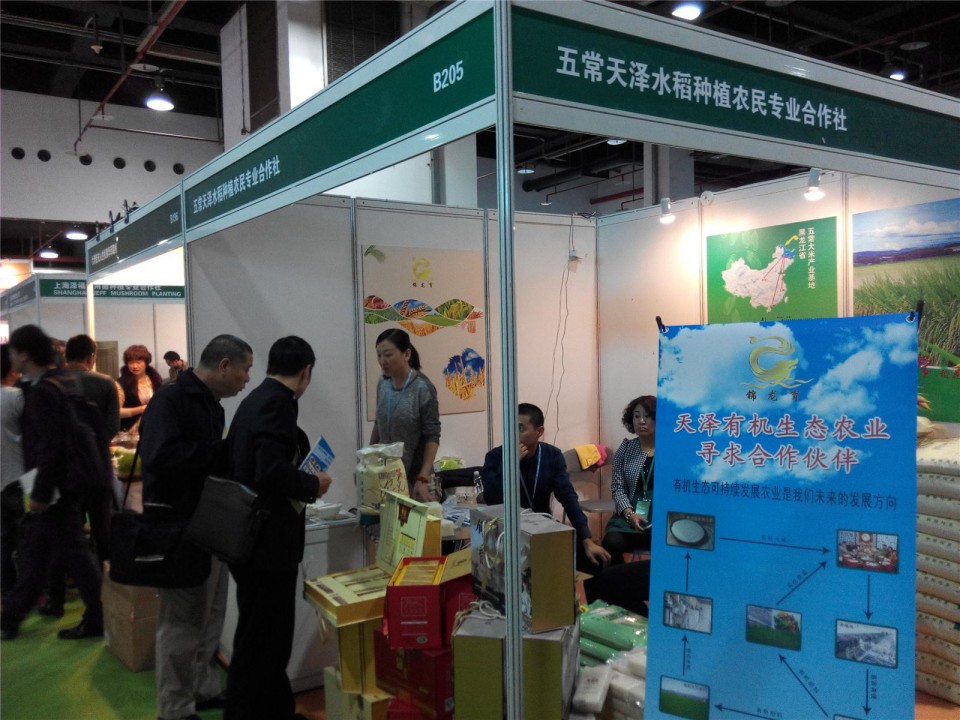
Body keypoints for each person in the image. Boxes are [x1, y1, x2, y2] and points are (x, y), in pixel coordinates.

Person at [139, 334, 253, 720]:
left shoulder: (211, 405)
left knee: (211, 612)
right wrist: (220, 454)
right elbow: (159, 456)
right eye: (245, 369)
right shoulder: (170, 399)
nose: (246, 379)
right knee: (182, 620)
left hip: (209, 523)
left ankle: (203, 688)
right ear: (224, 365)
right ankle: (174, 708)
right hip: (177, 526)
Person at [224, 336, 332, 720]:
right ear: (306, 372)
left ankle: (272, 711)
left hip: (250, 539)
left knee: (259, 638)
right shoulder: (276, 404)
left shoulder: (255, 400)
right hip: (266, 545)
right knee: (266, 640)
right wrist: (312, 484)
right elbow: (269, 470)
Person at [0, 325, 104, 641]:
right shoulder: (61, 381)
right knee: (41, 553)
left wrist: (41, 493)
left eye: (13, 351)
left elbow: (51, 448)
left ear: (24, 354)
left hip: (55, 488)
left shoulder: (45, 391)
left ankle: (97, 617)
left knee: (70, 554)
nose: (10, 357)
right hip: (65, 484)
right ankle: (11, 618)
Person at [37, 334, 121, 618]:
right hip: (97, 470)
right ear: (91, 357)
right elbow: (112, 427)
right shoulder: (105, 383)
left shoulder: (52, 384)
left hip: (65, 475)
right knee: (103, 535)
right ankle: (110, 596)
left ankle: (56, 600)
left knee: (65, 538)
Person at [481, 403, 610, 570]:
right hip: (506, 530)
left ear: (539, 432)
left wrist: (587, 539)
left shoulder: (552, 455)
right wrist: (510, 466)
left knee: (592, 558)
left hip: (541, 526)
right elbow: (491, 498)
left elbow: (568, 496)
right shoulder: (495, 456)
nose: (512, 434)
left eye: (520, 428)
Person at [369, 328, 440, 502]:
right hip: (387, 474)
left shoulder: (422, 388)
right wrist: (368, 461)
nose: (382, 361)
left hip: (416, 477)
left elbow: (432, 436)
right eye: (379, 355)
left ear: (406, 354)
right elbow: (378, 423)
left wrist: (422, 477)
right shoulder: (383, 383)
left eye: (388, 355)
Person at [601, 395, 657, 565]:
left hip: (661, 516)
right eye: (636, 416)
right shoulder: (626, 448)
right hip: (631, 515)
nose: (641, 421)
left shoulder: (671, 449)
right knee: (612, 542)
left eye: (647, 416)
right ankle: (622, 579)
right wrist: (630, 514)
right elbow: (617, 488)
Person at [1, 344, 25, 595]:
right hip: (21, 478)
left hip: (4, 478)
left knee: (4, 539)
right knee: (27, 537)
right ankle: (29, 589)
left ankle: (7, 588)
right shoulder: (18, 397)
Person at [118, 344, 163, 431]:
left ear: (146, 362)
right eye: (131, 362)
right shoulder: (121, 383)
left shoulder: (155, 380)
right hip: (130, 429)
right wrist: (141, 409)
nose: (135, 366)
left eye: (138, 362)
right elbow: (116, 412)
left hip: (154, 427)